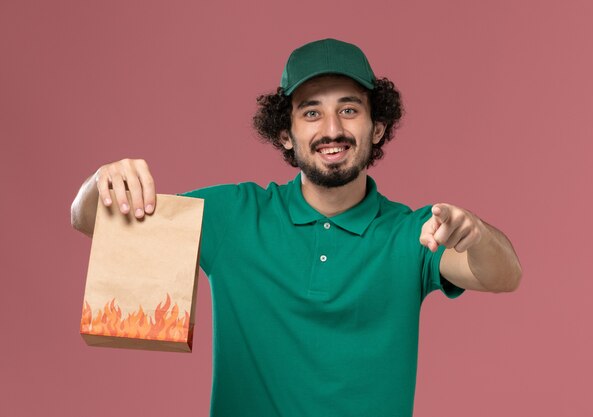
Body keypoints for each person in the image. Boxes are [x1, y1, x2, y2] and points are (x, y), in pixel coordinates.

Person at [71, 38, 522, 417]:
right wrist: (100, 184)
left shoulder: (413, 232)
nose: (331, 129)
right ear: (285, 134)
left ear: (377, 127)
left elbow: (504, 276)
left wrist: (477, 233)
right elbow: (90, 221)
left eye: (349, 110)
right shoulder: (234, 215)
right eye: (311, 113)